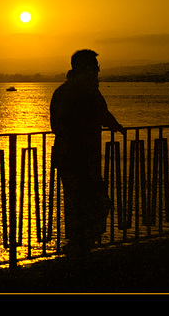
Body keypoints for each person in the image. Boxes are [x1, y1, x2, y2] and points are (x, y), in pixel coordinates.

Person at [50, 49, 124, 257]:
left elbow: (100, 113)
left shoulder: (69, 91)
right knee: (91, 201)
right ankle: (80, 246)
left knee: (82, 202)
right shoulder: (78, 92)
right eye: (93, 68)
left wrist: (113, 124)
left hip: (73, 157)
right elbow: (66, 123)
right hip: (76, 157)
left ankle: (80, 244)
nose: (97, 72)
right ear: (83, 69)